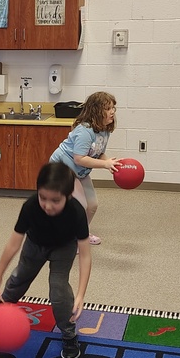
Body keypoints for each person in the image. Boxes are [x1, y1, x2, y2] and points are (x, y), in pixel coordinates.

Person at [0, 162, 92, 358]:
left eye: (55, 200)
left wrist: (81, 294)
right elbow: (13, 244)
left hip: (63, 248)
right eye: (43, 198)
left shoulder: (76, 212)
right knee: (21, 275)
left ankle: (69, 334)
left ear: (68, 196)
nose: (48, 205)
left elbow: (85, 255)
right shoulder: (30, 206)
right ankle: (4, 303)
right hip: (35, 244)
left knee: (59, 290)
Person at [49, 91, 120, 245]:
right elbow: (79, 158)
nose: (112, 111)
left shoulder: (104, 130)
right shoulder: (84, 131)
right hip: (62, 168)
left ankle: (81, 234)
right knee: (79, 206)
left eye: (113, 108)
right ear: (96, 111)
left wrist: (110, 162)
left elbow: (97, 153)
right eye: (108, 108)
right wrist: (104, 164)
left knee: (92, 205)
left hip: (79, 171)